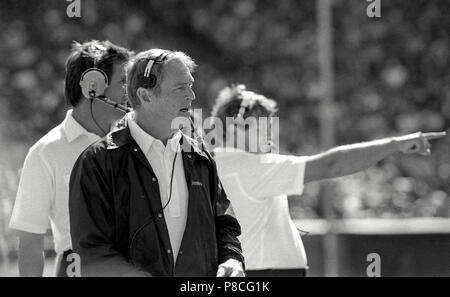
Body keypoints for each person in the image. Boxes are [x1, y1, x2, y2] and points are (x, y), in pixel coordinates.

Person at [208, 84, 446, 277]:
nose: (270, 130)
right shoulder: (250, 166)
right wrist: (395, 144)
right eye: (261, 123)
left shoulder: (217, 163)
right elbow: (332, 165)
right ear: (237, 128)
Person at [68, 49, 245, 277]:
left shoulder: (200, 154)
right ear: (145, 96)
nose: (191, 96)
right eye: (180, 88)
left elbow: (224, 224)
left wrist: (232, 259)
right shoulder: (97, 162)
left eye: (190, 85)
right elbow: (90, 250)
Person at [8, 40, 133, 277]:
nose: (131, 91)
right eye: (123, 82)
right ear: (93, 86)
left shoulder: (138, 140)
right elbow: (31, 241)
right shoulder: (45, 152)